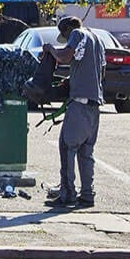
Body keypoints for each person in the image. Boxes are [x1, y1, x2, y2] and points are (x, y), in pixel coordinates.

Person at [44, 16, 105, 209]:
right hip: (94, 106)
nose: (65, 38)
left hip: (79, 104)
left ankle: (68, 195)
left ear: (68, 29)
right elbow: (99, 72)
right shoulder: (97, 40)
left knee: (67, 147)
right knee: (86, 152)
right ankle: (87, 195)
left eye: (64, 35)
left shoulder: (78, 34)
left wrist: (50, 50)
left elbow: (65, 56)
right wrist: (75, 78)